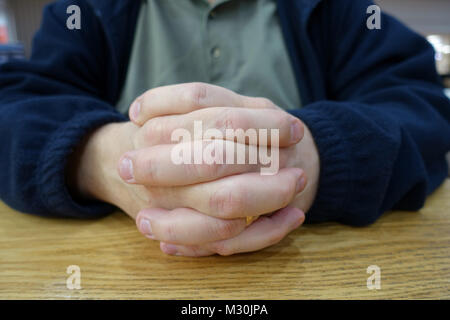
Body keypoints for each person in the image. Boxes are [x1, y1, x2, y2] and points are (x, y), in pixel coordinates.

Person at [0, 0, 449, 257]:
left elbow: (419, 105)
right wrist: (99, 158)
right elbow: (16, 108)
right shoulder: (85, 10)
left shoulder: (338, 9)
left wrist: (319, 155)